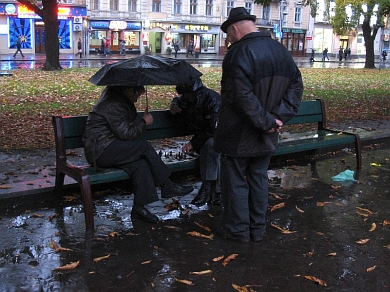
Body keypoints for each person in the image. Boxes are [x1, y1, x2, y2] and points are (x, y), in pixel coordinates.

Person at [216, 7, 303, 243]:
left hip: (238, 134)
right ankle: (257, 229)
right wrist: (278, 118)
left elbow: (239, 96)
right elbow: (296, 86)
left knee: (235, 183)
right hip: (267, 133)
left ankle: (238, 232)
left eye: (229, 35)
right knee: (258, 179)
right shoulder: (280, 50)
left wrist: (266, 121)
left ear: (234, 28)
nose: (229, 40)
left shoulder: (237, 53)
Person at [83, 86, 194, 223]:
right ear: (130, 91)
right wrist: (143, 122)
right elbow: (125, 134)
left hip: (109, 147)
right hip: (101, 151)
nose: (137, 100)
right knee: (143, 146)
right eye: (137, 95)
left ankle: (139, 208)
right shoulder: (113, 105)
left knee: (140, 165)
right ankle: (167, 185)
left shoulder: (117, 99)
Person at [170, 78, 221, 206]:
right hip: (204, 137)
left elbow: (212, 129)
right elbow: (177, 100)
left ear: (193, 92)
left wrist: (193, 143)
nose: (184, 97)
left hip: (220, 135)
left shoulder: (212, 99)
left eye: (185, 94)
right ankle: (216, 192)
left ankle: (208, 187)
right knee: (210, 148)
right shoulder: (188, 99)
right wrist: (174, 106)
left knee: (211, 147)